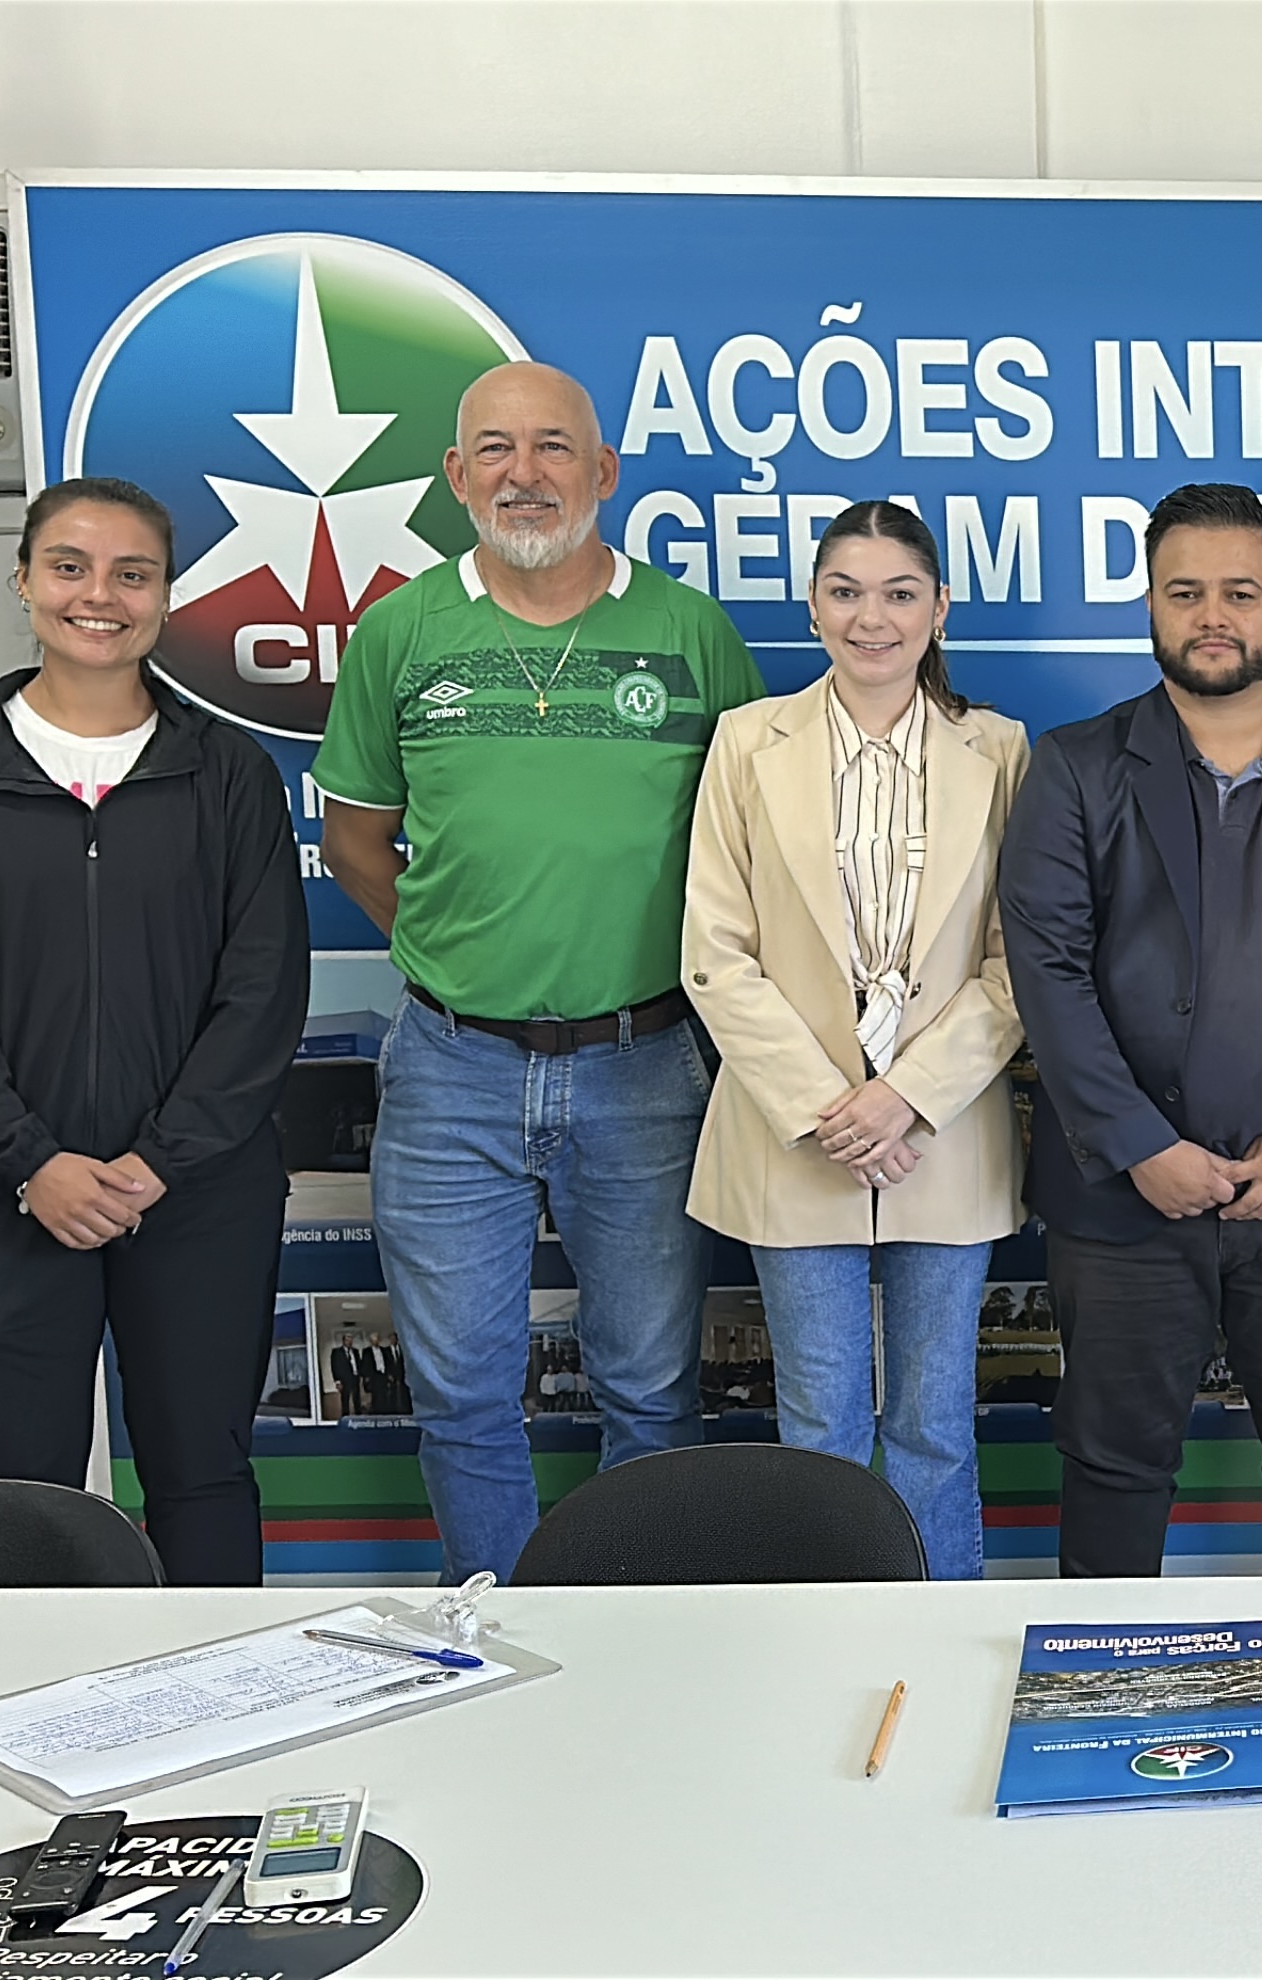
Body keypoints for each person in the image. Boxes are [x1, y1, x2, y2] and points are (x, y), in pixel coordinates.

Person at [318, 362, 768, 1584]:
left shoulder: (691, 631)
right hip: (451, 1068)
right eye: (496, 450)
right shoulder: (403, 631)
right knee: (462, 1395)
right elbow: (355, 840)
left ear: (603, 471)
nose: (525, 475)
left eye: (554, 447)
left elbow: (754, 843)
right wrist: (462, 951)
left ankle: (639, 1637)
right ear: (456, 477)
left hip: (648, 1064)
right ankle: (499, 1637)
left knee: (652, 1390)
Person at [0, 478, 309, 1585]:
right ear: (22, 581)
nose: (99, 596)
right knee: (20, 1501)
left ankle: (218, 1694)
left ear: (166, 596)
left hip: (198, 1196)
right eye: (69, 567)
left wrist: (160, 1162)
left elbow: (261, 993)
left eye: (132, 573)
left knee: (203, 1479)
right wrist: (30, 1163)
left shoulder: (229, 775)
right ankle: (32, 1696)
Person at [999, 482, 1262, 1576]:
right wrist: (1139, 1144)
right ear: (1149, 603)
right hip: (1126, 1198)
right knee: (1112, 1466)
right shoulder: (1076, 766)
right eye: (1184, 592)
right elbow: (1047, 973)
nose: (1212, 616)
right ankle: (1100, 1678)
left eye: (1241, 592)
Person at [682, 499, 1029, 1579]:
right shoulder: (748, 742)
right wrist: (829, 1107)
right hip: (797, 1133)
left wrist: (906, 1097)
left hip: (943, 1132)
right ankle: (820, 1648)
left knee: (934, 1429)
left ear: (939, 608)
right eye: (845, 592)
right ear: (812, 606)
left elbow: (1019, 962)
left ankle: (944, 1632)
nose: (870, 619)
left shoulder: (1000, 749)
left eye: (898, 594)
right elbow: (715, 952)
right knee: (819, 1428)